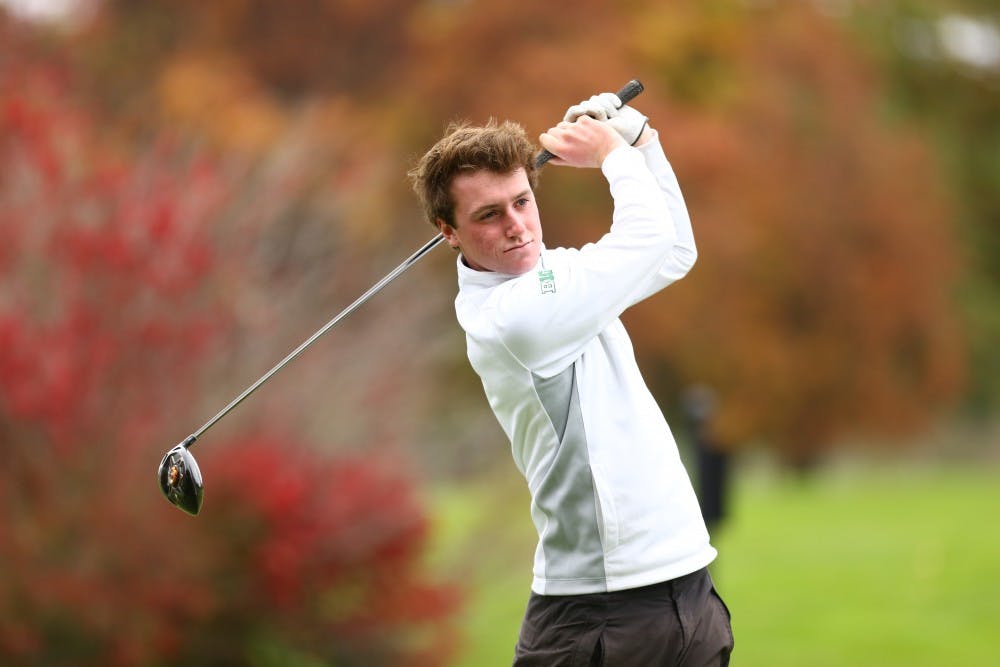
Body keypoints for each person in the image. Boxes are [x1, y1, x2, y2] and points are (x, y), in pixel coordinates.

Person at [409, 92, 734, 666]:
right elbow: (648, 238)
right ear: (448, 231)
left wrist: (644, 145)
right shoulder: (512, 320)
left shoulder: (554, 275)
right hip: (597, 616)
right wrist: (612, 152)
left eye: (522, 201)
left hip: (688, 587)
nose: (517, 226)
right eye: (489, 214)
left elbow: (674, 251)